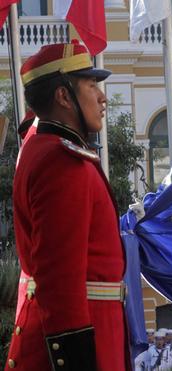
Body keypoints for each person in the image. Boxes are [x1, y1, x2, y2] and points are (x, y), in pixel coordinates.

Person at [4, 40, 129, 371]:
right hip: (81, 340)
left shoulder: (43, 146)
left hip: (95, 333)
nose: (102, 97)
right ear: (63, 97)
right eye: (91, 85)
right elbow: (61, 281)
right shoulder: (61, 162)